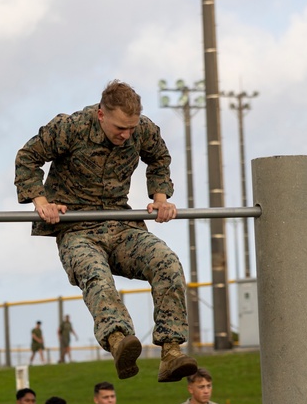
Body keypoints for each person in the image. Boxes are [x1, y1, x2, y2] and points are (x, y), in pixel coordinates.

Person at [15, 80, 197, 383]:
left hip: (120, 224)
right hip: (77, 228)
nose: (125, 135)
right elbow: (27, 158)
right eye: (119, 129)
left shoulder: (142, 131)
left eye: (130, 128)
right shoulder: (70, 128)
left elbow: (159, 157)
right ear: (101, 115)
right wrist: (41, 201)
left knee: (167, 262)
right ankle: (118, 342)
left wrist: (160, 199)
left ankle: (171, 351)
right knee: (95, 273)